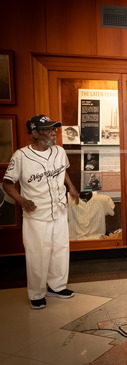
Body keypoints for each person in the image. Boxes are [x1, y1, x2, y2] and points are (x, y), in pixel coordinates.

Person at [3, 115, 79, 309]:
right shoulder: (20, 156)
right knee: (38, 254)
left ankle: (57, 286)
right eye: (47, 129)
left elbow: (63, 172)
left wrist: (71, 188)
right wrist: (21, 200)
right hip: (37, 213)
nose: (53, 132)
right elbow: (8, 184)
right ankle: (36, 293)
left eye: (53, 129)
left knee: (60, 250)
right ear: (34, 133)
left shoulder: (59, 152)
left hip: (59, 209)